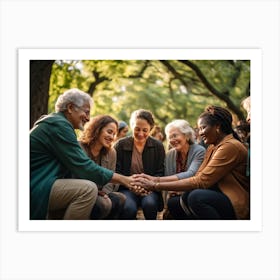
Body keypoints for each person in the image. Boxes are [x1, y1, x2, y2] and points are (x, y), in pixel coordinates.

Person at [30, 88, 144, 220]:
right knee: (87, 189)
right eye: (86, 112)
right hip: (35, 184)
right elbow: (84, 167)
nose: (88, 118)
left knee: (108, 197)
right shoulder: (59, 126)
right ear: (71, 107)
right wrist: (125, 179)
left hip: (41, 181)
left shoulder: (57, 123)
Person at [133, 105, 250, 220]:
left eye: (203, 128)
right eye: (199, 129)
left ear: (217, 127)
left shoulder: (230, 146)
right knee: (176, 202)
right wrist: (154, 180)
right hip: (217, 195)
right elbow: (199, 175)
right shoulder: (213, 147)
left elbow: (200, 180)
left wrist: (155, 185)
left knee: (196, 197)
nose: (200, 133)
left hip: (234, 201)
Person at [114, 109, 166, 220]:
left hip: (150, 188)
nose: (140, 134)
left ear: (151, 129)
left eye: (145, 130)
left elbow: (160, 172)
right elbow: (116, 171)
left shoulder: (158, 146)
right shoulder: (120, 145)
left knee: (150, 204)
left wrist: (147, 185)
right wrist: (130, 184)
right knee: (129, 208)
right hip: (126, 187)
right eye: (137, 129)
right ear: (132, 126)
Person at [154, 119, 206, 219]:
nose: (173, 140)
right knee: (172, 203)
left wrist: (156, 181)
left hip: (194, 194)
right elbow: (167, 177)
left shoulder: (199, 151)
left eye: (175, 135)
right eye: (170, 137)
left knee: (177, 202)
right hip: (174, 198)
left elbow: (191, 174)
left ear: (186, 135)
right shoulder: (169, 155)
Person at [78, 115, 126, 219]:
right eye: (109, 132)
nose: (112, 137)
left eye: (114, 134)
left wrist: (105, 194)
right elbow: (77, 175)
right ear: (97, 129)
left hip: (103, 192)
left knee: (120, 198)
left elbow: (111, 178)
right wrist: (96, 192)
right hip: (83, 192)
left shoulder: (112, 152)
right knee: (103, 204)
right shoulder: (79, 147)